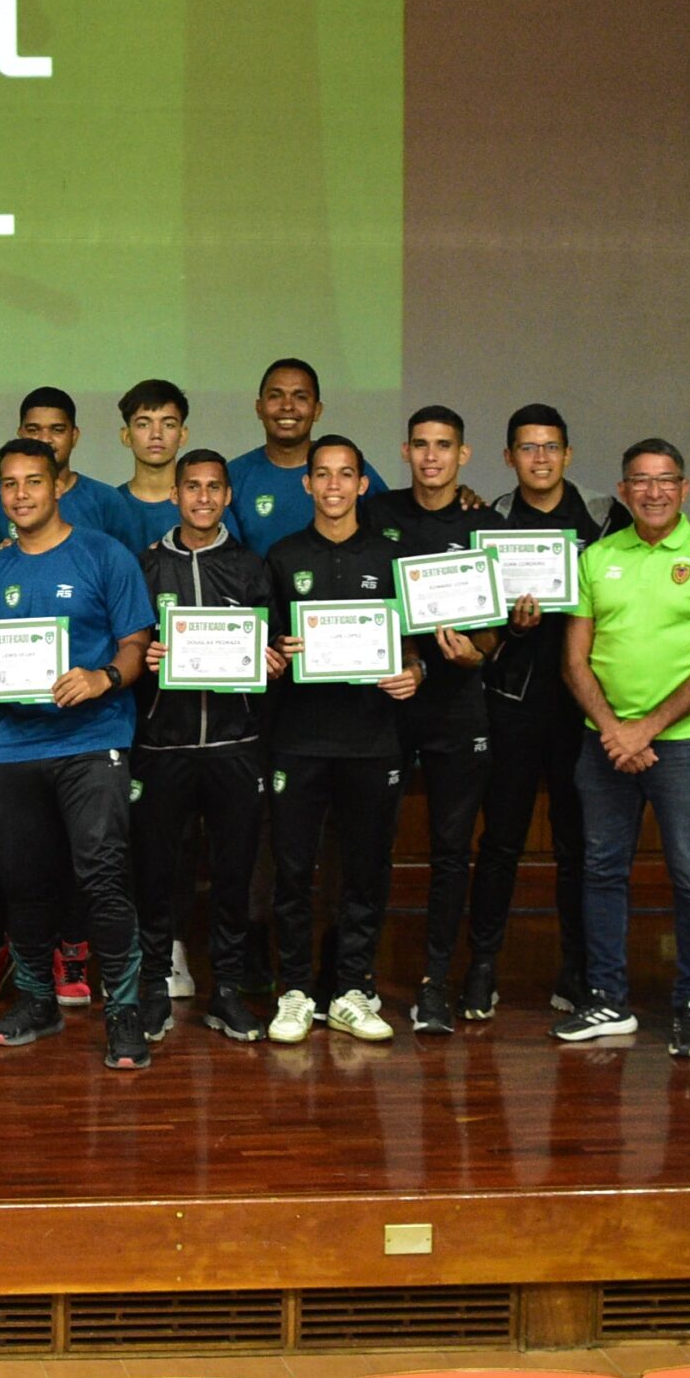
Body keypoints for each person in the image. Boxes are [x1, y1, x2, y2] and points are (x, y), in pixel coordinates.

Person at [0, 437, 155, 1069]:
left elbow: (135, 643)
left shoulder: (105, 554)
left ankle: (123, 1013)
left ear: (58, 487)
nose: (20, 495)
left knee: (101, 878)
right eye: (9, 484)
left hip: (91, 741)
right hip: (13, 745)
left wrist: (105, 678)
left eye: (33, 482)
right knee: (24, 881)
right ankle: (38, 1002)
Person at [557, 438, 690, 1056]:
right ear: (624, 490)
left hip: (683, 745)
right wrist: (614, 728)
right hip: (604, 744)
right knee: (603, 870)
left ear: (685, 490)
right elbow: (574, 660)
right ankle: (608, 999)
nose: (654, 491)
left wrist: (646, 728)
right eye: (640, 480)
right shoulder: (600, 555)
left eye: (666, 481)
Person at [262, 436, 422, 1046]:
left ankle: (353, 988)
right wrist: (275, 654)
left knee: (364, 871)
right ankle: (297, 991)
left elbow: (415, 644)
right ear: (307, 485)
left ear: (362, 484)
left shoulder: (391, 557)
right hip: (298, 740)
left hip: (372, 739)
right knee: (294, 872)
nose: (333, 486)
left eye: (346, 475)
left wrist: (416, 673)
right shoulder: (280, 556)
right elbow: (265, 643)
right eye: (322, 475)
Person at [133, 449, 283, 1045]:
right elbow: (123, 648)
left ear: (227, 497)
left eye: (213, 488)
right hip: (161, 746)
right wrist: (143, 660)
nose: (202, 497)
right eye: (190, 487)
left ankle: (226, 990)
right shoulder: (144, 566)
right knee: (155, 873)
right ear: (174, 494)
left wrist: (269, 663)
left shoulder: (251, 567)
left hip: (234, 743)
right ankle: (151, 991)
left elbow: (270, 648)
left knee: (234, 872)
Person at [476, 404, 620, 1017]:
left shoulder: (603, 517)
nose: (540, 458)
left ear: (567, 453)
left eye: (551, 447)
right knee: (501, 841)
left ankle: (579, 970)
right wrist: (507, 626)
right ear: (509, 457)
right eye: (528, 448)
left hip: (584, 709)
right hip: (510, 704)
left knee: (577, 846)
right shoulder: (488, 519)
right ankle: (482, 969)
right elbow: (476, 623)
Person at [365, 407, 501, 1036]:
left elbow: (495, 629)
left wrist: (481, 651)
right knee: (371, 842)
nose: (431, 457)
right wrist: (408, 657)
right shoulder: (376, 513)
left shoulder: (485, 523)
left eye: (444, 446)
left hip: (457, 706)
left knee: (451, 851)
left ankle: (435, 983)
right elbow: (359, 600)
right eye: (419, 445)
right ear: (405, 450)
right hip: (386, 702)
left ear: (463, 455)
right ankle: (355, 978)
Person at [0, 387, 147, 559]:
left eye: (57, 430)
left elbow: (130, 570)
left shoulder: (106, 500)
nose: (45, 439)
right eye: (33, 429)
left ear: (74, 436)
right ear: (20, 433)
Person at [225, 358, 389, 549]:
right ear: (259, 408)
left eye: (300, 397)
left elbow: (385, 538)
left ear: (317, 410)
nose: (287, 406)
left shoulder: (348, 468)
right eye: (275, 396)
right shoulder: (235, 475)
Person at [115, 379, 190, 547]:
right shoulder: (110, 507)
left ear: (182, 435)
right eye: (143, 424)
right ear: (126, 436)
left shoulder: (202, 505)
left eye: (168, 424)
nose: (156, 434)